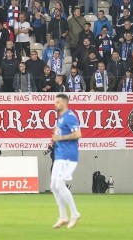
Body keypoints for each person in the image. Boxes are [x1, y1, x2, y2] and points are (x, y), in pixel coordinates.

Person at [50, 93, 81, 229]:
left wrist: (60, 139)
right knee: (53, 186)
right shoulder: (61, 118)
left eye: (57, 102)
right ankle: (63, 216)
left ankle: (74, 213)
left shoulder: (69, 117)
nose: (55, 104)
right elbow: (60, 134)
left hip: (68, 156)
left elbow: (78, 134)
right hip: (59, 155)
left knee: (60, 184)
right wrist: (54, 139)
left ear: (64, 103)